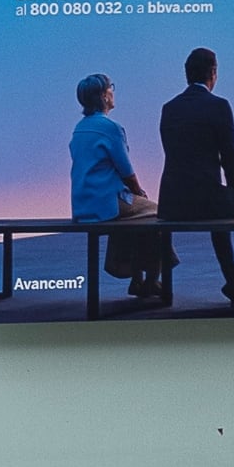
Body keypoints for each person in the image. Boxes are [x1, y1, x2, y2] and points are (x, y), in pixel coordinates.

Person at [159, 46, 234, 305]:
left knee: (220, 207)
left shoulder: (169, 108)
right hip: (206, 198)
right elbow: (230, 155)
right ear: (213, 73)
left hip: (172, 203)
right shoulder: (218, 106)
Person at [70, 72, 171, 307]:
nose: (113, 92)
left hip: (83, 204)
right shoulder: (110, 128)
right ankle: (151, 279)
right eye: (111, 88)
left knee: (135, 216)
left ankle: (137, 279)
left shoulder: (79, 128)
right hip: (107, 202)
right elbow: (127, 171)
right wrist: (140, 192)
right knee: (159, 214)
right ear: (104, 96)